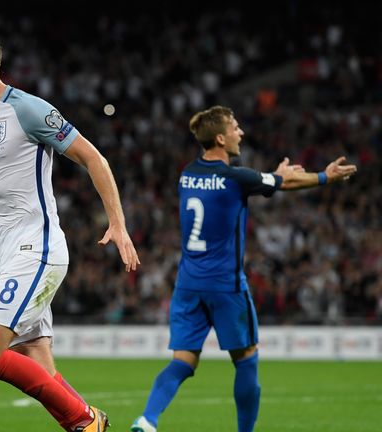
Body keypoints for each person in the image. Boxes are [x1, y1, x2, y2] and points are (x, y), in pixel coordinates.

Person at [0, 27, 140, 432]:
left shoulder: (27, 109)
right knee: (36, 361)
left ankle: (86, 420)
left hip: (36, 250)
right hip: (6, 257)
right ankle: (87, 423)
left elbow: (94, 158)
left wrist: (118, 222)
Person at [130, 106, 358, 432]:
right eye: (235, 127)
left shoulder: (187, 174)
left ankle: (147, 419)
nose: (241, 133)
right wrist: (324, 177)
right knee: (246, 358)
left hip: (188, 285)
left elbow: (262, 181)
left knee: (183, 360)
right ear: (221, 137)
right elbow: (281, 184)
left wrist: (277, 175)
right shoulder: (236, 177)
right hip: (225, 285)